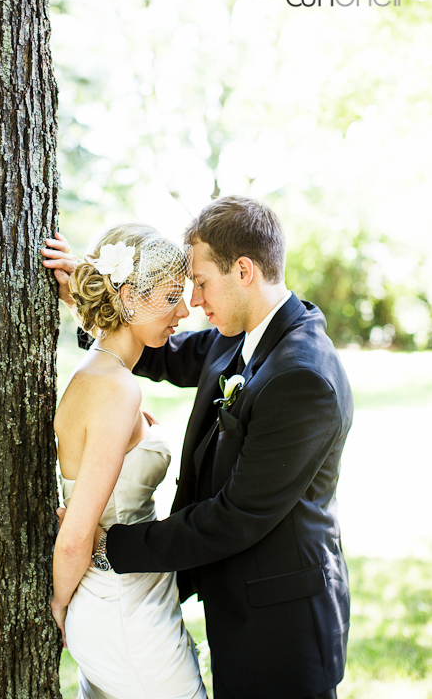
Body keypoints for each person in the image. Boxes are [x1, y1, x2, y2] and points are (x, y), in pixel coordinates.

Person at [44, 195, 354, 699]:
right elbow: (161, 352)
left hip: (281, 623)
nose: (194, 301)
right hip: (230, 603)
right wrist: (97, 292)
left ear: (245, 271)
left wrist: (108, 546)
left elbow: (235, 517)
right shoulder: (239, 336)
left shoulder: (302, 376)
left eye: (202, 283)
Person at [43, 223, 207, 699]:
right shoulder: (115, 389)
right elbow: (75, 537)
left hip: (140, 600)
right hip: (121, 611)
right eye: (172, 297)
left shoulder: (105, 372)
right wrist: (59, 604)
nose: (183, 310)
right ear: (130, 294)